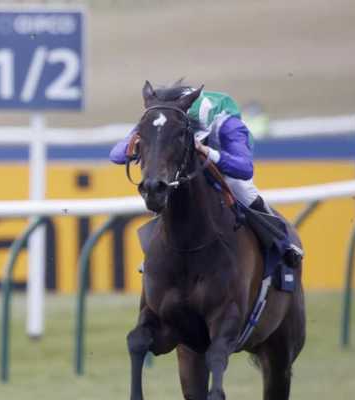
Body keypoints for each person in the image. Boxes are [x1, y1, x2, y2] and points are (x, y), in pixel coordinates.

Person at [110, 87, 303, 267]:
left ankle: (283, 243)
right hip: (186, 167)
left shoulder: (227, 124)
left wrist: (206, 150)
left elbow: (244, 169)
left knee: (242, 189)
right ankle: (154, 258)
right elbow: (116, 155)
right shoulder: (165, 117)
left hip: (224, 163)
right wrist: (136, 145)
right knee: (163, 191)